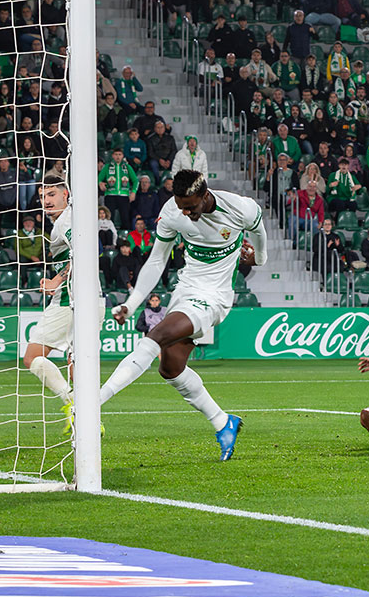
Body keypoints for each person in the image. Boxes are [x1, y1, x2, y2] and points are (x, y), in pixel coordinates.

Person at [100, 170, 268, 461]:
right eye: (181, 206)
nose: (186, 212)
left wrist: (260, 258)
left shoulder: (240, 208)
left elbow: (260, 232)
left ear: (205, 195)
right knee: (171, 368)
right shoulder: (174, 212)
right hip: (186, 291)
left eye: (191, 207)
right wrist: (132, 303)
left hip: (214, 298)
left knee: (156, 336)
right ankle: (222, 422)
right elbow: (156, 260)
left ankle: (92, 404)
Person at [22, 175, 82, 433]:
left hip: (69, 300)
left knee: (32, 357)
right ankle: (87, 420)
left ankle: (71, 404)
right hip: (86, 298)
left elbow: (86, 249)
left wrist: (57, 279)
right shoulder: (66, 221)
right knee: (76, 363)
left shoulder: (67, 220)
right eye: (43, 197)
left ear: (65, 195)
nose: (46, 201)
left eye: (51, 195)